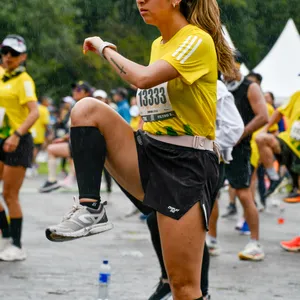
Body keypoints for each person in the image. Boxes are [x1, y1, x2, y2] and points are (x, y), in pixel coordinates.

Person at [46, 1, 236, 299]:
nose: (140, 1)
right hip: (149, 151)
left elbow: (143, 78)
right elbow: (158, 109)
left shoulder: (196, 39)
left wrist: (105, 48)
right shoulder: (158, 44)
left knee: (184, 287)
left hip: (186, 164)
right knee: (86, 110)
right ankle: (91, 207)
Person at [147, 79, 244, 300]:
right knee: (155, 220)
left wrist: (202, 145)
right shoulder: (173, 81)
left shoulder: (212, 84)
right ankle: (167, 282)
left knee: (194, 227)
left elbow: (234, 128)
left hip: (202, 162)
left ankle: (202, 291)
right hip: (174, 161)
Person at [222, 53, 268, 260]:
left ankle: (255, 243)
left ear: (239, 66)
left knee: (243, 194)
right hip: (217, 145)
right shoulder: (217, 84)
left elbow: (263, 116)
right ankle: (210, 241)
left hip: (240, 149)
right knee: (210, 195)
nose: (226, 70)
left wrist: (240, 134)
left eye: (230, 66)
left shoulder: (250, 87)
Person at [0, 35, 39, 261]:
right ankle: (5, 237)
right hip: (1, 138)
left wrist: (17, 134)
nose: (8, 57)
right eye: (5, 52)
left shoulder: (24, 80)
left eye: (13, 53)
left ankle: (17, 245)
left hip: (18, 140)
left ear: (23, 56)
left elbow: (33, 112)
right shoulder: (3, 75)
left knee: (9, 194)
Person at [39, 81, 92, 193]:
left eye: (78, 90)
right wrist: (65, 137)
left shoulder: (87, 105)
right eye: (74, 89)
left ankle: (64, 179)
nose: (75, 92)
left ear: (86, 93)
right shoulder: (76, 105)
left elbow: (86, 127)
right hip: (76, 141)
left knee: (55, 151)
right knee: (52, 149)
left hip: (83, 143)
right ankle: (63, 178)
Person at [256, 91, 300, 202]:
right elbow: (279, 112)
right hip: (288, 143)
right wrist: (265, 129)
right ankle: (274, 178)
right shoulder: (297, 95)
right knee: (261, 139)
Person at [26, 96, 50, 177]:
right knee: (35, 150)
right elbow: (45, 123)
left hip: (31, 130)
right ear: (44, 101)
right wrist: (49, 132)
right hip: (38, 133)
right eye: (48, 100)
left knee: (32, 149)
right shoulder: (44, 109)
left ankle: (31, 166)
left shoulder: (36, 107)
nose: (49, 102)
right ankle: (30, 166)